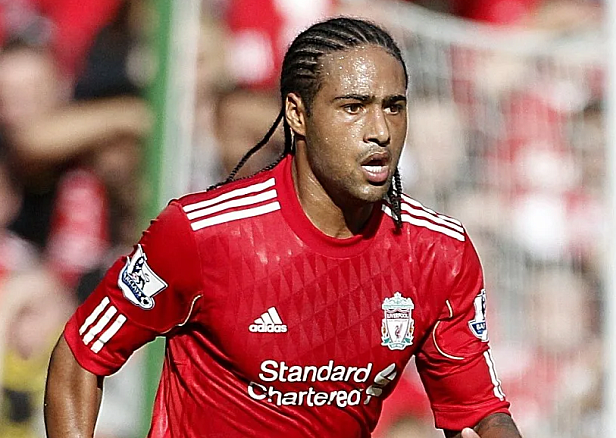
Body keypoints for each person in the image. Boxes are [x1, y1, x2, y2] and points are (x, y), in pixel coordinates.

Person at [45, 17, 521, 438]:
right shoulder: (204, 233)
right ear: (297, 114)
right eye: (353, 107)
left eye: (393, 106)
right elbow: (81, 355)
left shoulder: (438, 253)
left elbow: (480, 414)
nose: (380, 130)